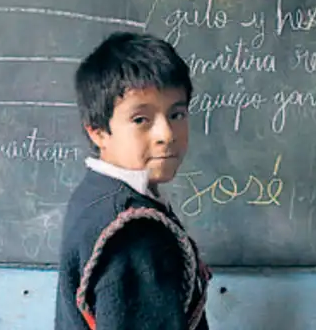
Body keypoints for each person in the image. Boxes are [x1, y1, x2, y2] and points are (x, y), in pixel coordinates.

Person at [54, 31, 211, 330]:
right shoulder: (132, 230)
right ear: (98, 132)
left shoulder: (99, 194)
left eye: (177, 114)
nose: (166, 134)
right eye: (141, 119)